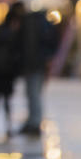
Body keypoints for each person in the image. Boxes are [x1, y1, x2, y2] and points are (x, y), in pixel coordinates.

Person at [0, 2, 24, 140]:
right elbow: (17, 53)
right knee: (6, 100)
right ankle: (8, 126)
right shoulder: (13, 35)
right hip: (6, 71)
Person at [18, 8, 58, 136]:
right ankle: (34, 120)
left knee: (33, 94)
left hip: (33, 65)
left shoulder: (30, 25)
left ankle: (35, 122)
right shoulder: (44, 25)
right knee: (35, 93)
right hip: (40, 64)